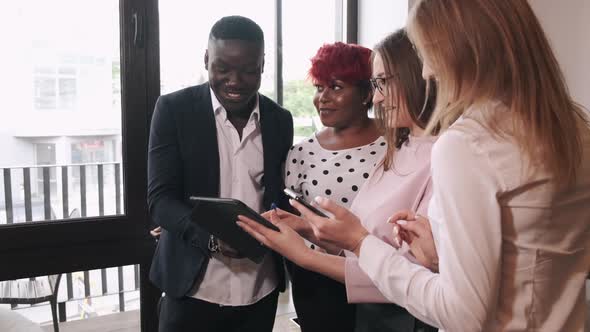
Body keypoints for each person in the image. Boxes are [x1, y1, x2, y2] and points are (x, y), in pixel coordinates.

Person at [240, 1, 590, 331]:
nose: (425, 72)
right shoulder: (574, 125)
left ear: (461, 49)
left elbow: (463, 314)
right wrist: (442, 260)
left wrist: (362, 243)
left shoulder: (468, 145)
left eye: (427, 54)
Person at [252, 30, 438, 332]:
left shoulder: (429, 151)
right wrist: (310, 230)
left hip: (403, 316)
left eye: (382, 83)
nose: (378, 97)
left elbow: (406, 273)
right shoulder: (403, 147)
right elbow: (366, 247)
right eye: (319, 87)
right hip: (358, 306)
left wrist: (305, 254)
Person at [147, 16, 293, 332]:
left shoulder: (280, 120)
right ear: (206, 60)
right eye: (223, 67)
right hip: (191, 288)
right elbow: (160, 200)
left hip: (260, 288)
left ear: (263, 64)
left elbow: (279, 197)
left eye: (248, 69)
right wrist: (212, 239)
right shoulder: (173, 110)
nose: (235, 80)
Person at [283, 42, 385, 332]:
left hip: (379, 275)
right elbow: (297, 221)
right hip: (317, 281)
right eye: (319, 87)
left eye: (336, 87)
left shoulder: (396, 144)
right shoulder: (300, 153)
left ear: (367, 93)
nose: (322, 98)